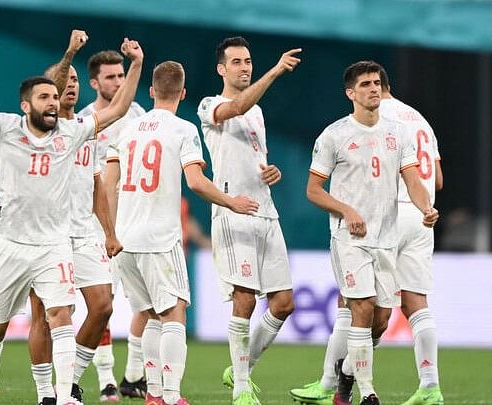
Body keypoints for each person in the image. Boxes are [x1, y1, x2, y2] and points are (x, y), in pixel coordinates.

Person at [0, 35, 143, 405]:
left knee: (61, 315)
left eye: (55, 97)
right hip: (11, 242)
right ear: (26, 106)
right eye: (46, 97)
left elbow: (118, 109)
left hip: (54, 244)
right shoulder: (4, 128)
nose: (54, 102)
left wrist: (136, 64)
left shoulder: (72, 133)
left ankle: (56, 396)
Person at [106, 60, 258, 405]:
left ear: (150, 91)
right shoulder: (183, 129)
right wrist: (231, 201)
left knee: (150, 315)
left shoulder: (125, 129)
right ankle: (172, 396)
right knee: (174, 312)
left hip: (126, 239)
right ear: (183, 93)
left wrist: (111, 231)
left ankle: (155, 394)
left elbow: (108, 182)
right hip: (160, 238)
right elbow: (195, 181)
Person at [289, 67, 444, 405]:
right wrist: (346, 210)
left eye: (376, 83)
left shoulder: (398, 133)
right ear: (351, 93)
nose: (373, 89)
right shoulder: (334, 135)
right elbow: (314, 190)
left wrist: (424, 207)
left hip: (387, 237)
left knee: (382, 318)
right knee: (360, 307)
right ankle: (367, 392)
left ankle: (342, 380)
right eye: (365, 84)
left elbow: (414, 180)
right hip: (350, 238)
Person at [196, 36, 301, 405]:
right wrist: (274, 71)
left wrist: (270, 171)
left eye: (249, 61)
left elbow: (254, 154)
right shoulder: (210, 104)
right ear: (221, 69)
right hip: (232, 210)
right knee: (244, 299)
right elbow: (236, 107)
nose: (245, 66)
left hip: (265, 210)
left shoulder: (257, 112)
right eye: (237, 62)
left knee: (284, 303)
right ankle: (241, 389)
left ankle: (241, 368)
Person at [25, 30, 124, 405]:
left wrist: (109, 232)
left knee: (102, 305)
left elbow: (97, 185)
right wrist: (68, 54)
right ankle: (46, 394)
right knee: (48, 317)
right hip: (44, 233)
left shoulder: (87, 128)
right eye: (62, 82)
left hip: (84, 232)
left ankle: (71, 381)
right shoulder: (38, 130)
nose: (70, 86)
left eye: (75, 81)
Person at [78, 49, 149, 400]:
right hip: (98, 226)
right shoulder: (83, 121)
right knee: (102, 304)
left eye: (122, 75)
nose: (118, 82)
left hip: (137, 221)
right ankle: (105, 377)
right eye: (110, 77)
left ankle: (134, 375)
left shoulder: (138, 115)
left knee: (147, 303)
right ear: (95, 82)